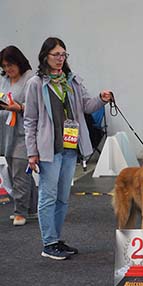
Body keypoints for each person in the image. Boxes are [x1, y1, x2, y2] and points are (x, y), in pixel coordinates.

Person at [24, 37, 112, 260]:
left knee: (63, 197)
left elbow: (86, 107)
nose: (60, 59)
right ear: (45, 56)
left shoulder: (71, 81)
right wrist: (31, 152)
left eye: (63, 55)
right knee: (48, 196)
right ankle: (48, 243)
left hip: (70, 148)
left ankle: (55, 239)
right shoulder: (36, 83)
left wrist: (101, 99)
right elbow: (30, 120)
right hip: (48, 150)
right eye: (56, 55)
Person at [0, 45, 38, 225]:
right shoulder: (5, 80)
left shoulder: (31, 79)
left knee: (19, 173)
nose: (8, 70)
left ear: (19, 62)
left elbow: (36, 106)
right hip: (8, 134)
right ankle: (32, 209)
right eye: (4, 66)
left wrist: (20, 107)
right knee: (18, 172)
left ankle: (20, 211)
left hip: (25, 134)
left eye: (10, 65)